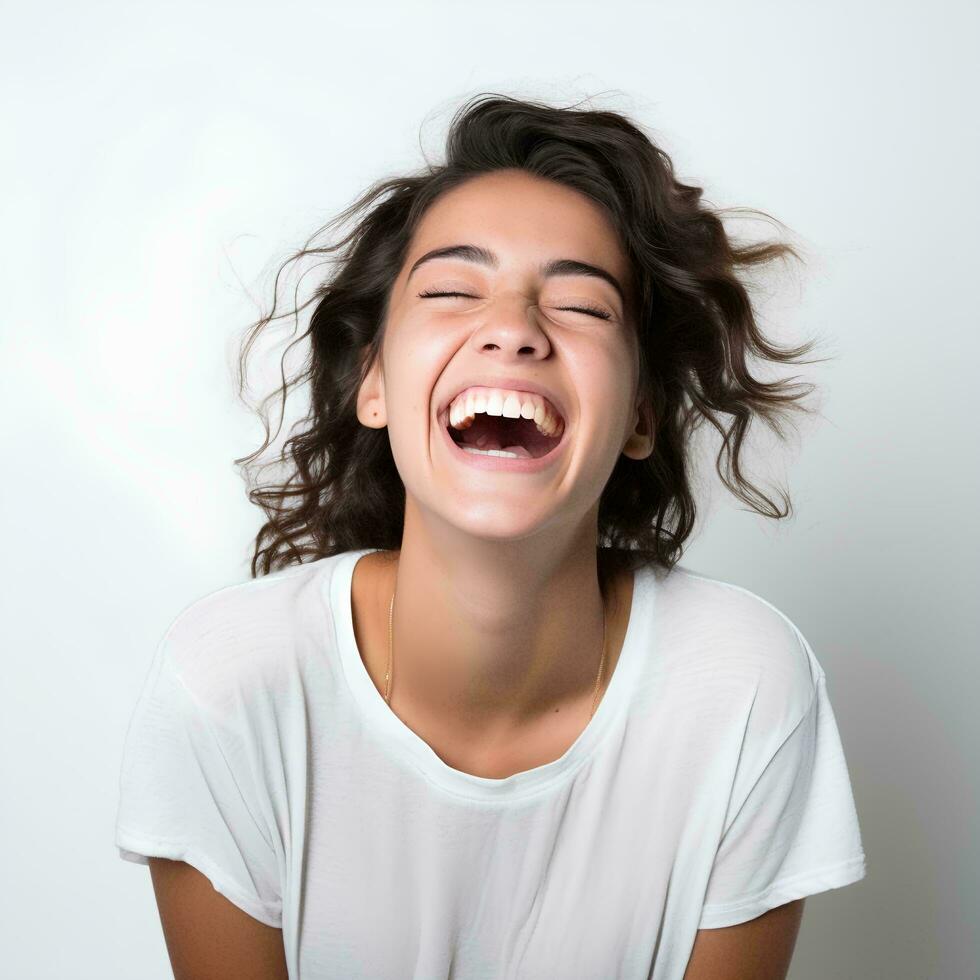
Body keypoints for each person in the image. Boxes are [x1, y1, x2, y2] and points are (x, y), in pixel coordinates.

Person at [114, 93, 867, 979]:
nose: (512, 330)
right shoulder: (230, 685)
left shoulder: (744, 688)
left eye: (582, 306)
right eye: (450, 291)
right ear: (374, 385)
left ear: (639, 413)